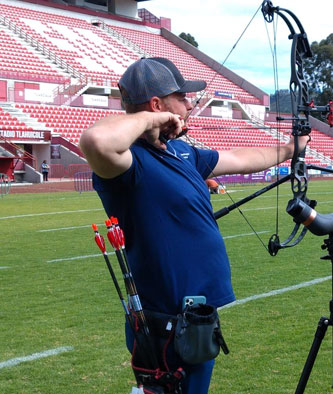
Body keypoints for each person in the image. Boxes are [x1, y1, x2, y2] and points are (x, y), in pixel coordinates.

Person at [79, 57, 308, 393]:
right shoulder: (129, 164)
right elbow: (95, 141)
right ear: (157, 105)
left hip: (196, 316)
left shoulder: (181, 152)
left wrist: (290, 149)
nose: (189, 105)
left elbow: (241, 159)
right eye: (181, 98)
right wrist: (152, 120)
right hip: (164, 323)